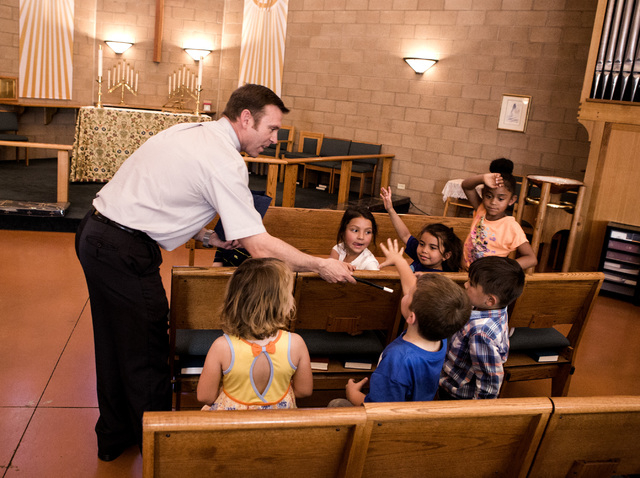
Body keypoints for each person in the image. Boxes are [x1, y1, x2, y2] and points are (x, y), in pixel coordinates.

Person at [75, 84, 354, 461]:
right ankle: (159, 453)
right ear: (245, 119)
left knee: (114, 345)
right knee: (147, 353)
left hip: (97, 233)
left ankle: (114, 436)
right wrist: (321, 263)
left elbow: (162, 196)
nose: (275, 139)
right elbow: (259, 246)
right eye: (272, 129)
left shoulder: (192, 132)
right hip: (122, 250)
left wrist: (207, 236)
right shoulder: (225, 160)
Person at [331, 238, 471, 406]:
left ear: (411, 317)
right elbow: (417, 297)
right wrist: (399, 261)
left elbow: (380, 409)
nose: (406, 292)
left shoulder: (397, 360)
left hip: (387, 417)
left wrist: (353, 394)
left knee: (336, 404)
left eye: (409, 294)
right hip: (415, 408)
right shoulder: (439, 335)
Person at [197, 258, 313, 409]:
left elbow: (205, 396)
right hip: (279, 422)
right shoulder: (296, 343)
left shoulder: (222, 346)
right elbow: (304, 390)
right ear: (282, 303)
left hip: (234, 423)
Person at [438, 256, 525, 400]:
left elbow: (489, 382)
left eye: (471, 284)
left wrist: (479, 409)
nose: (466, 285)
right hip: (454, 370)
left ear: (490, 300)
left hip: (458, 395)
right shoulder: (497, 308)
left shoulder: (481, 333)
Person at [461, 158, 537, 270]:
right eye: (488, 196)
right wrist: (482, 178)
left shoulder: (511, 226)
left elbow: (531, 259)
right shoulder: (481, 209)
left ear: (511, 200)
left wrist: (501, 269)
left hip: (486, 277)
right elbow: (466, 186)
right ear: (483, 194)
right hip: (464, 271)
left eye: (500, 199)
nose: (493, 202)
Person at [380, 186, 463, 272]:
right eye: (422, 244)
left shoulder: (435, 276)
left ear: (446, 255)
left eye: (433, 248)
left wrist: (399, 262)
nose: (424, 250)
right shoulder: (422, 257)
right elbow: (405, 235)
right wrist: (390, 209)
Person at [329, 206, 380, 270]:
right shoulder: (338, 249)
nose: (361, 237)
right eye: (355, 230)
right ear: (343, 231)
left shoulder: (370, 264)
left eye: (368, 232)